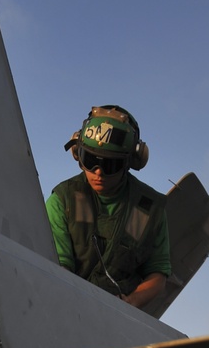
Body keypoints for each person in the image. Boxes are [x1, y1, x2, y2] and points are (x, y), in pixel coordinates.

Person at [46, 104, 170, 310]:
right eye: (91, 160)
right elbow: (59, 269)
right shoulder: (63, 200)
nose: (98, 173)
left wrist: (130, 302)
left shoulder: (147, 209)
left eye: (110, 165)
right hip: (66, 308)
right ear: (77, 154)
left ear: (130, 162)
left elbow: (158, 273)